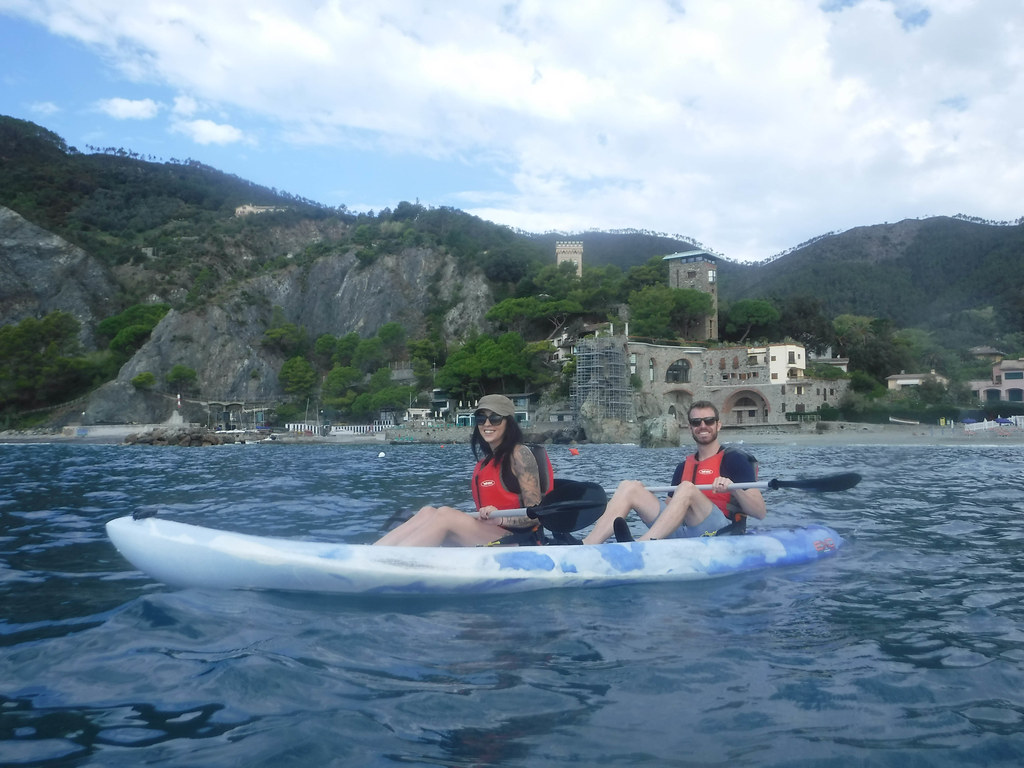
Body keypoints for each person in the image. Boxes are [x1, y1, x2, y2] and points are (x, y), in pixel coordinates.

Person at [375, 394, 554, 547]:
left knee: (445, 514)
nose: (487, 424)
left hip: (521, 541)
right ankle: (376, 552)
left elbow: (536, 515)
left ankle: (392, 560)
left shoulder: (519, 454)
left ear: (509, 422)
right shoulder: (485, 463)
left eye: (495, 418)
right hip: (492, 535)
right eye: (481, 419)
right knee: (428, 511)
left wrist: (501, 520)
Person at [582, 401, 766, 544]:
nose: (703, 425)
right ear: (690, 427)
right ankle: (587, 544)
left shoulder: (734, 459)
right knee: (630, 487)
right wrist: (646, 496)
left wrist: (734, 489)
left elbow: (759, 512)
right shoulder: (683, 467)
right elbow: (672, 510)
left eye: (709, 421)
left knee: (686, 488)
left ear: (718, 425)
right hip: (685, 530)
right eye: (696, 422)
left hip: (721, 531)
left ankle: (643, 544)